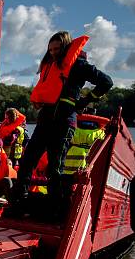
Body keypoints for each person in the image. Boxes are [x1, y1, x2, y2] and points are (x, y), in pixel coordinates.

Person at [9, 31, 112, 220]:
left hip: (64, 122)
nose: (54, 53)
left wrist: (86, 100)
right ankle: (19, 202)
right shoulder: (50, 67)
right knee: (27, 161)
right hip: (45, 119)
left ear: (65, 48)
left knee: (55, 168)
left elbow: (106, 82)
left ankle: (55, 209)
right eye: (50, 50)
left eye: (57, 49)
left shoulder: (79, 65)